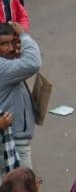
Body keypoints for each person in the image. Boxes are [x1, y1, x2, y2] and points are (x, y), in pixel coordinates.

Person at [0, 25, 37, 170]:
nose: (9, 48)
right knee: (23, 190)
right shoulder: (2, 68)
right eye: (3, 44)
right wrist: (24, 36)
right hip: (12, 142)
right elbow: (33, 63)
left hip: (14, 139)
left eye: (11, 42)